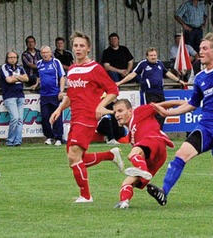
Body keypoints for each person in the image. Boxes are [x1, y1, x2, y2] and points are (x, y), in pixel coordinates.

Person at [146, 33, 213, 207]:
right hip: (206, 127)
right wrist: (169, 113)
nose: (201, 52)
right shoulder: (200, 78)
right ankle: (164, 192)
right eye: (200, 49)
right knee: (181, 153)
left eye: (204, 48)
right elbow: (192, 104)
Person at [49, 31, 125, 203]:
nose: (78, 48)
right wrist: (59, 109)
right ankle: (111, 155)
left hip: (88, 117)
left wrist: (100, 106)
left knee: (73, 156)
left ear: (88, 48)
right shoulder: (73, 69)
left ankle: (86, 196)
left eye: (82, 45)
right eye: (75, 45)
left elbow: (113, 90)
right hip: (75, 116)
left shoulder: (95, 68)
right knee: (78, 158)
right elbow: (71, 95)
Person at [112, 99, 181, 209]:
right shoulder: (131, 136)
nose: (117, 115)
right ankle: (124, 202)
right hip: (157, 157)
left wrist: (187, 104)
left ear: (130, 111)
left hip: (155, 140)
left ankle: (142, 170)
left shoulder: (139, 112)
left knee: (132, 154)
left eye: (120, 111)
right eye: (115, 112)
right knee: (127, 182)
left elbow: (163, 105)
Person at [117, 47, 186, 128]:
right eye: (151, 55)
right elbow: (132, 75)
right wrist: (120, 82)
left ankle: (159, 130)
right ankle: (151, 130)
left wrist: (179, 81)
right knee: (151, 112)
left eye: (155, 55)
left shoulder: (159, 63)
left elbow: (168, 73)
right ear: (147, 56)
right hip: (149, 93)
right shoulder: (143, 64)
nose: (153, 57)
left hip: (160, 92)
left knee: (162, 112)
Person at [32, 46, 66, 146]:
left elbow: (62, 77)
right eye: (43, 53)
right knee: (45, 117)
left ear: (50, 53)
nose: (45, 54)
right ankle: (49, 137)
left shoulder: (56, 62)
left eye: (47, 52)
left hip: (55, 94)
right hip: (44, 95)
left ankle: (59, 137)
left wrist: (61, 91)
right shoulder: (39, 63)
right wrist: (36, 83)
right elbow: (38, 75)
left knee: (57, 116)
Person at [0, 50, 29, 146]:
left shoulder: (20, 68)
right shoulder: (4, 67)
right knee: (15, 118)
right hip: (9, 95)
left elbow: (26, 78)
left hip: (20, 95)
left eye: (14, 57)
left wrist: (15, 76)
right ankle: (10, 140)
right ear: (7, 58)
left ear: (17, 58)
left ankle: (17, 141)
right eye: (10, 57)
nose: (12, 59)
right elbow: (9, 80)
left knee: (20, 119)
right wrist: (19, 77)